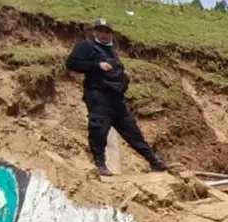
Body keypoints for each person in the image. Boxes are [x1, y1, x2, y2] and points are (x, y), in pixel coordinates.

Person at [65, 18, 167, 176]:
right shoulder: (87, 47)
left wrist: (124, 76)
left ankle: (154, 161)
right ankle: (100, 164)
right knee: (99, 131)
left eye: (107, 31)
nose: (104, 34)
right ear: (94, 32)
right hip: (98, 97)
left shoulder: (111, 51)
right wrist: (96, 66)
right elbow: (71, 63)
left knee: (132, 131)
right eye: (100, 31)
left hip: (116, 100)